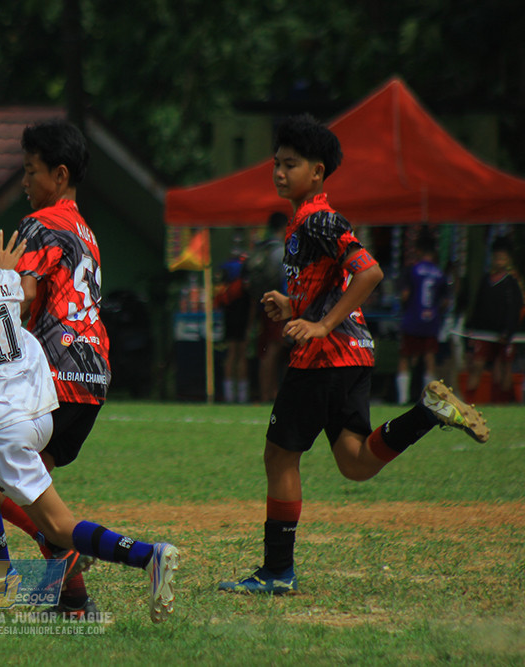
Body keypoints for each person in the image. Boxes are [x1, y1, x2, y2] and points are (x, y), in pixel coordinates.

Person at [218, 115, 491, 596]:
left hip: (324, 358)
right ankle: (427, 413)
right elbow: (334, 284)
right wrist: (293, 306)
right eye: (276, 164)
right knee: (355, 462)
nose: (279, 173)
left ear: (318, 172)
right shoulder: (305, 221)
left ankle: (277, 572)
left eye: (291, 165)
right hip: (353, 354)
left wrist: (320, 325)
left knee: (280, 456)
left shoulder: (318, 218)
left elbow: (369, 273)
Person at [0, 200, 179, 623]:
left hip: (2, 424)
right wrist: (0, 274)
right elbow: (0, 303)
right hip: (41, 410)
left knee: (57, 526)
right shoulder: (8, 280)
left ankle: (149, 556)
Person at [0, 119, 111, 619]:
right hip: (92, 374)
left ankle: (57, 576)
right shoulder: (83, 227)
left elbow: (23, 295)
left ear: (59, 175)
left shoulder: (41, 224)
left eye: (30, 170)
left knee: (21, 495)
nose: (23, 181)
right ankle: (65, 597)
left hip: (53, 377)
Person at [463, 236, 524, 403]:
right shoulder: (485, 280)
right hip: (483, 333)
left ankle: (502, 402)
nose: (499, 261)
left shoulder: (512, 282)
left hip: (504, 333)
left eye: (502, 258)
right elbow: (478, 305)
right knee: (477, 365)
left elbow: (514, 308)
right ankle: (469, 401)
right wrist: (471, 328)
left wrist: (508, 330)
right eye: (496, 257)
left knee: (503, 367)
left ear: (508, 260)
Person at [396, 233, 449, 403]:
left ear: (418, 251)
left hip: (412, 319)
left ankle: (402, 399)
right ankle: (429, 399)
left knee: (405, 357)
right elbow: (446, 301)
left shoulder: (412, 270)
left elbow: (405, 295)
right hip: (431, 321)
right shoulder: (440, 273)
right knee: (429, 357)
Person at [246, 212, 290, 403]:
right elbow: (287, 280)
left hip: (262, 304)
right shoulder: (280, 250)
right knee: (275, 349)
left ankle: (268, 392)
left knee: (266, 350)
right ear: (284, 227)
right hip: (280, 305)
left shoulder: (261, 247)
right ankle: (269, 394)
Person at [214, 241, 251, 403]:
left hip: (229, 315)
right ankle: (242, 396)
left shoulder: (226, 269)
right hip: (243, 314)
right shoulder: (246, 269)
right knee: (242, 356)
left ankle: (229, 395)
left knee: (230, 355)